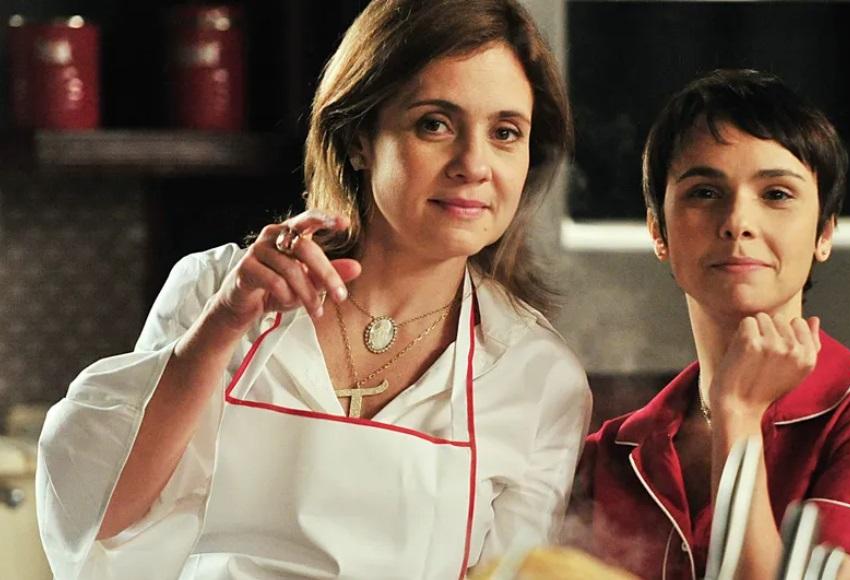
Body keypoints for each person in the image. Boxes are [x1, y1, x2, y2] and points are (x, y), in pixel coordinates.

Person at [36, 1, 592, 578]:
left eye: (505, 133)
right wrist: (221, 326)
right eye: (435, 124)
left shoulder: (538, 377)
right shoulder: (214, 293)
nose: (473, 164)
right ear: (357, 139)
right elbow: (103, 524)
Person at [569, 69, 850, 579]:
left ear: (824, 233)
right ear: (658, 231)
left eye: (776, 194)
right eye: (705, 193)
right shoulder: (608, 458)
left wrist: (739, 414)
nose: (738, 223)